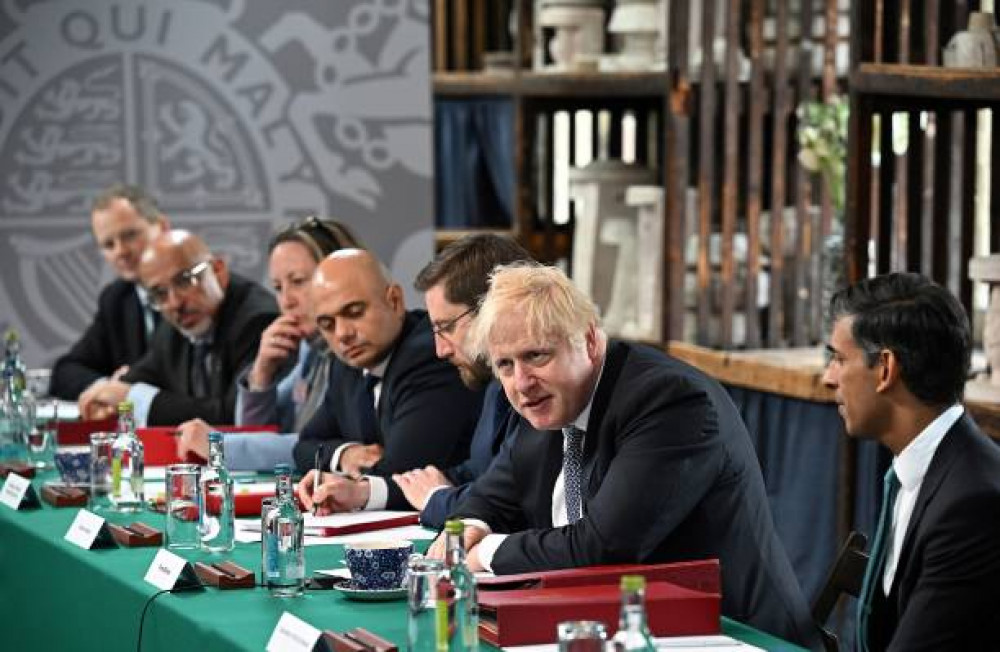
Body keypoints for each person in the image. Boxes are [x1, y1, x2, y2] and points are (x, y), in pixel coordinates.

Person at [427, 263, 819, 647]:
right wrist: (465, 531)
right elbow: (486, 498)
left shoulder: (668, 401)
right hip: (618, 625)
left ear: (591, 342)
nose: (522, 383)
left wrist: (485, 552)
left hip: (732, 633)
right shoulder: (546, 409)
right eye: (505, 365)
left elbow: (603, 546)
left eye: (537, 356)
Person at [822, 272, 1000, 651]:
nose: (827, 377)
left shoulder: (973, 503)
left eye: (839, 358)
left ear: (886, 369)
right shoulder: (922, 468)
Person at [293, 249, 484, 511]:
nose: (343, 334)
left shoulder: (430, 355)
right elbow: (304, 446)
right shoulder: (346, 364)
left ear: (394, 301)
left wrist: (350, 483)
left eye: (354, 312)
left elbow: (402, 471)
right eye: (327, 324)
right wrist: (345, 454)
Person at [174, 217, 361, 469]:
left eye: (297, 281)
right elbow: (259, 429)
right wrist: (262, 373)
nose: (286, 301)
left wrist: (221, 446)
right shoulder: (310, 347)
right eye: (278, 287)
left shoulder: (356, 348)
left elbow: (317, 445)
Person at [391, 234, 532, 528]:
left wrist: (438, 498)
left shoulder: (537, 386)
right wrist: (368, 491)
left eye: (447, 328)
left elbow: (511, 503)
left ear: (492, 308)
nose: (441, 350)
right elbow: (478, 472)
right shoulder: (494, 384)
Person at [77, 230, 278, 426]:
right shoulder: (177, 323)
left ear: (218, 271)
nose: (174, 303)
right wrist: (106, 396)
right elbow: (141, 377)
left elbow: (234, 415)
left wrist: (132, 398)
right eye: (160, 293)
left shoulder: (256, 321)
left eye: (184, 281)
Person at [50, 184, 170, 400]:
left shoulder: (197, 296)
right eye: (108, 244)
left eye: (130, 235)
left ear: (162, 227)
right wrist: (107, 388)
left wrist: (129, 389)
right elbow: (66, 371)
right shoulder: (117, 298)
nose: (121, 251)